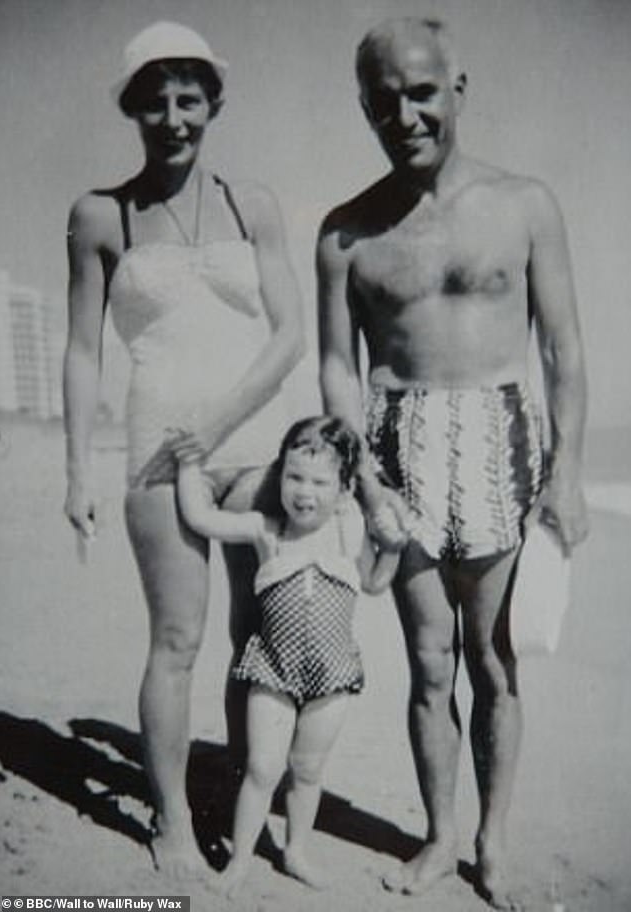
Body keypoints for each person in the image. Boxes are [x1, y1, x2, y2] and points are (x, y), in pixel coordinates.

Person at [317, 15, 588, 910]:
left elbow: (564, 353)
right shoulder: (346, 235)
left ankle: (492, 842)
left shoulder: (525, 204)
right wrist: (360, 471)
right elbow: (336, 366)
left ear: (457, 91)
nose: (407, 114)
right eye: (384, 101)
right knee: (429, 664)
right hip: (397, 449)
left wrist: (568, 469)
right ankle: (439, 837)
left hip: (502, 441)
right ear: (364, 110)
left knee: (497, 664)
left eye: (423, 92)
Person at [63, 21, 303, 879]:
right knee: (176, 638)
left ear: (214, 104)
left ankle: (234, 806)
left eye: (189, 97)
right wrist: (74, 470)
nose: (172, 116)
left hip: (254, 449)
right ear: (132, 109)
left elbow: (290, 336)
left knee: (255, 638)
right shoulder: (101, 214)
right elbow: (84, 349)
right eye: (154, 100)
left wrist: (224, 421)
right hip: (157, 455)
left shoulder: (254, 204)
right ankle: (168, 821)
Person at [176, 416, 402, 895]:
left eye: (321, 482)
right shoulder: (266, 531)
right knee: (262, 767)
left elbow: (377, 582)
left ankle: (295, 850)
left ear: (343, 491)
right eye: (294, 477)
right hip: (273, 671)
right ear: (279, 477)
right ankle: (239, 859)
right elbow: (201, 519)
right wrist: (187, 466)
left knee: (308, 769)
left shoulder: (347, 530)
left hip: (332, 676)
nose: (305, 492)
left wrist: (395, 548)